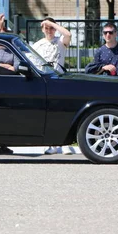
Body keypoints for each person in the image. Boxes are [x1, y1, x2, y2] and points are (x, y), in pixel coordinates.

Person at [32, 17, 74, 155]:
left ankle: (66, 143)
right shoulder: (37, 45)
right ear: (42, 29)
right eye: (46, 28)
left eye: (51, 28)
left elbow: (68, 34)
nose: (49, 30)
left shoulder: (60, 42)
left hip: (59, 80)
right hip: (45, 82)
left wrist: (51, 23)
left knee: (63, 113)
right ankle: (52, 144)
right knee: (50, 114)